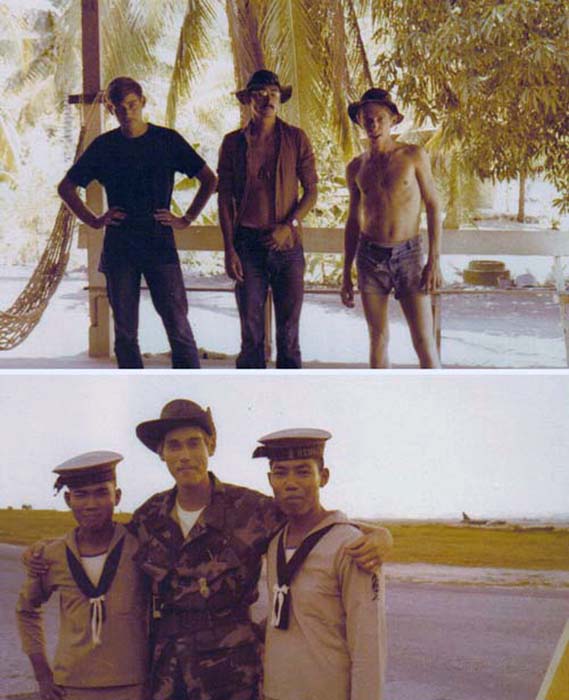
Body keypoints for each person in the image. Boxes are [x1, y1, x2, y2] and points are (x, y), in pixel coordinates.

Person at [131, 398, 392, 700]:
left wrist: (380, 535)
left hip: (230, 673)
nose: (185, 455)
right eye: (174, 446)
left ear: (211, 447)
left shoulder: (251, 509)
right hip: (167, 671)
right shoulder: (147, 517)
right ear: (161, 453)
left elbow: (313, 520)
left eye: (194, 443)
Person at [58, 76, 217, 369]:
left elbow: (209, 179)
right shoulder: (104, 146)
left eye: (132, 104)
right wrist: (94, 220)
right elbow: (65, 187)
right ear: (111, 109)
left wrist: (187, 219)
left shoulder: (167, 140)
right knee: (125, 334)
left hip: (159, 243)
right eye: (119, 107)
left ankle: (190, 388)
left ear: (142, 102)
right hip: (120, 247)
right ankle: (133, 389)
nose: (127, 112)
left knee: (178, 326)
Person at [253, 429, 386, 700]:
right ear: (270, 480)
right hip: (274, 692)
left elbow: (369, 645)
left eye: (303, 472)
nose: (290, 482)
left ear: (323, 477)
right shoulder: (275, 541)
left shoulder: (351, 546)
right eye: (280, 473)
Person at [16, 451, 149, 700]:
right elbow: (26, 610)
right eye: (81, 495)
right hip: (72, 686)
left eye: (101, 492)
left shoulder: (140, 547)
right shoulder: (51, 555)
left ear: (117, 496)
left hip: (134, 684)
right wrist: (43, 675)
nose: (91, 504)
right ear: (68, 499)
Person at [217, 70, 318, 368]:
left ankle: (289, 396)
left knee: (289, 335)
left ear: (279, 99)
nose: (267, 99)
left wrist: (289, 226)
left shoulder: (296, 138)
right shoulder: (233, 143)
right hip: (247, 244)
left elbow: (312, 191)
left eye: (273, 93)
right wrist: (229, 249)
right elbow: (224, 198)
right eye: (259, 93)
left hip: (288, 246)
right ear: (248, 100)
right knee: (251, 336)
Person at [341, 88, 442, 368]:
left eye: (380, 118)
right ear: (360, 122)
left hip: (409, 255)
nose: (373, 124)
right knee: (378, 337)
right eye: (367, 119)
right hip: (370, 257)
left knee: (424, 340)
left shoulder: (413, 156)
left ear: (393, 120)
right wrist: (345, 273)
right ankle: (378, 401)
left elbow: (434, 206)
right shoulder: (356, 168)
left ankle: (437, 400)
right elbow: (352, 220)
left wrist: (433, 262)